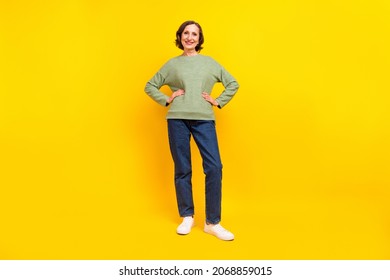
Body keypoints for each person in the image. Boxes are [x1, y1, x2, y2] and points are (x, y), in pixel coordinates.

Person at [144, 20, 239, 241]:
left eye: (194, 34)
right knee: (183, 168)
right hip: (177, 119)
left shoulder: (210, 63)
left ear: (199, 38)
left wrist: (218, 100)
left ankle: (212, 223)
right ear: (180, 37)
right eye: (186, 33)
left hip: (204, 119)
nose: (189, 37)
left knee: (214, 167)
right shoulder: (172, 64)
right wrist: (167, 98)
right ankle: (187, 216)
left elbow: (232, 83)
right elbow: (150, 85)